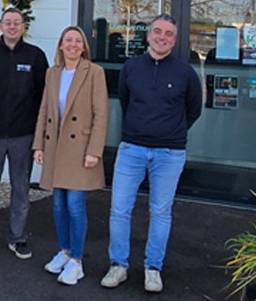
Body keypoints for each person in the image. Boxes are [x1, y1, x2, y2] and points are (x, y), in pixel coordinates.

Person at [101, 15, 202, 294]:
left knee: (160, 211)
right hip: (132, 149)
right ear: (148, 35)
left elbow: (194, 110)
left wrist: (171, 131)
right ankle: (118, 265)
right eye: (157, 31)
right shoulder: (131, 67)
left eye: (168, 34)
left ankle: (153, 269)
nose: (162, 37)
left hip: (169, 153)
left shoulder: (185, 73)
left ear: (175, 40)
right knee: (119, 209)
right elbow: (125, 101)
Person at [33, 25, 108, 286]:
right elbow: (44, 110)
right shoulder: (52, 73)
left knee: (75, 204)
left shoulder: (94, 72)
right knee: (57, 204)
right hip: (56, 146)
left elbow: (101, 115)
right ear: (61, 45)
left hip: (80, 148)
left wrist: (94, 151)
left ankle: (77, 261)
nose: (73, 45)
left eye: (78, 41)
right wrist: (38, 145)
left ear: (84, 46)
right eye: (68, 40)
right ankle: (64, 251)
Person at [0, 8, 46, 260]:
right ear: (0, 26)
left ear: (23, 27)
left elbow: (42, 96)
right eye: (8, 22)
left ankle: (17, 237)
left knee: (21, 188)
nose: (12, 26)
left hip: (22, 135)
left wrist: (38, 132)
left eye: (17, 22)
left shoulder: (35, 56)